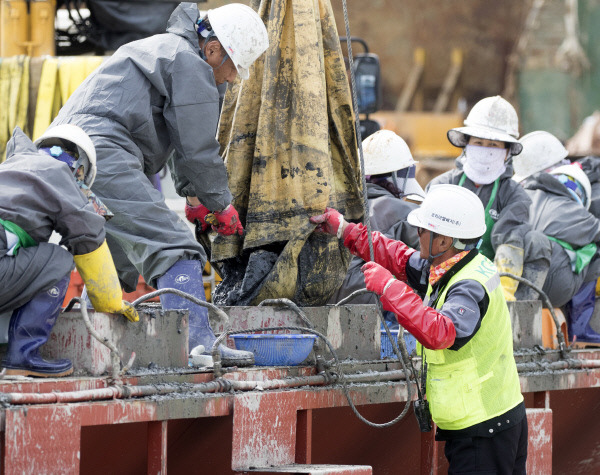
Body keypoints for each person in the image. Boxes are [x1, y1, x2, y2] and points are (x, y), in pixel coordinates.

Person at [49, 2, 269, 366]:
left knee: (114, 263)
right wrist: (220, 203)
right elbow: (198, 150)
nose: (232, 79)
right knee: (174, 245)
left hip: (69, 156)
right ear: (213, 50)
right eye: (233, 68)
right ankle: (197, 346)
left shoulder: (165, 50)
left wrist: (195, 197)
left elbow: (183, 140)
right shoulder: (190, 63)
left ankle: (91, 349)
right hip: (102, 152)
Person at [310, 184, 527, 473]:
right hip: (489, 419)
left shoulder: (467, 285)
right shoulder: (453, 265)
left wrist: (389, 288)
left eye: (424, 230)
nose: (418, 235)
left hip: (483, 428)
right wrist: (344, 230)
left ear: (443, 241)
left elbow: (442, 332)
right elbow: (397, 257)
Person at [0, 125, 140, 377]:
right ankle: (23, 357)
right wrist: (109, 301)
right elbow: (89, 241)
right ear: (81, 170)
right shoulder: (61, 177)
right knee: (58, 259)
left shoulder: (12, 166)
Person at [427, 96, 551, 302]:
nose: (485, 150)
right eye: (479, 143)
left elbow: (510, 243)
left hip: (489, 281)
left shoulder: (514, 194)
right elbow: (424, 242)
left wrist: (497, 299)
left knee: (535, 241)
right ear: (466, 145)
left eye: (493, 145)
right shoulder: (442, 186)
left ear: (507, 152)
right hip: (443, 277)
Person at [514, 134, 600, 343]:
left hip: (507, 284)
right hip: (553, 288)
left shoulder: (518, 197)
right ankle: (582, 327)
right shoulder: (577, 210)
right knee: (594, 253)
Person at [329, 130, 423, 309]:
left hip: (329, 303)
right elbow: (427, 264)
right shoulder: (403, 211)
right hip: (373, 307)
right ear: (398, 177)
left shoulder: (339, 208)